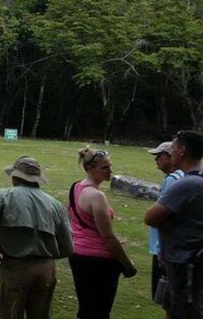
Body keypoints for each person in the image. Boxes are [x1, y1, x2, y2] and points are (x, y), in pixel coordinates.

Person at [0, 156, 73, 319]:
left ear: (15, 177)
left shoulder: (4, 195)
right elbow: (68, 247)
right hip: (45, 268)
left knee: (11, 313)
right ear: (37, 180)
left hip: (16, 266)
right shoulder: (55, 204)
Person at [67, 147, 137, 319]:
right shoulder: (96, 196)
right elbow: (108, 237)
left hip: (78, 255)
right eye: (104, 168)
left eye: (110, 166)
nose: (110, 171)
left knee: (86, 308)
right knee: (99, 311)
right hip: (98, 260)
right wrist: (128, 265)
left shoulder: (76, 187)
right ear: (89, 169)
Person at [145, 131, 203, 319]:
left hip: (183, 262)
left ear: (182, 151)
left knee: (181, 311)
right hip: (193, 260)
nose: (170, 152)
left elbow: (150, 218)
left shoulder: (186, 185)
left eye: (173, 148)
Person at [147, 141, 185, 317]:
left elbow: (163, 218)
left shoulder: (171, 181)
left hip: (164, 247)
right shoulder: (184, 177)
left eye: (159, 156)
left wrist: (161, 250)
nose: (156, 160)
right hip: (177, 246)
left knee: (168, 297)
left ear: (171, 156)